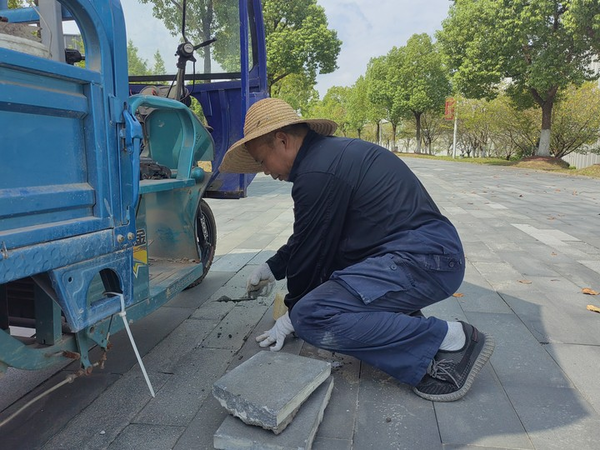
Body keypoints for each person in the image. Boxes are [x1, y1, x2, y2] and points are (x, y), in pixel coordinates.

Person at [219, 98, 495, 402]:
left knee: (313, 316)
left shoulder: (316, 174)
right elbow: (311, 237)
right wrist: (272, 267)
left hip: (423, 261)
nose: (264, 172)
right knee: (325, 293)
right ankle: (405, 323)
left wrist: (296, 315)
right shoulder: (326, 158)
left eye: (261, 161)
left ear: (282, 141)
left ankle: (452, 339)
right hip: (430, 255)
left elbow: (311, 256)